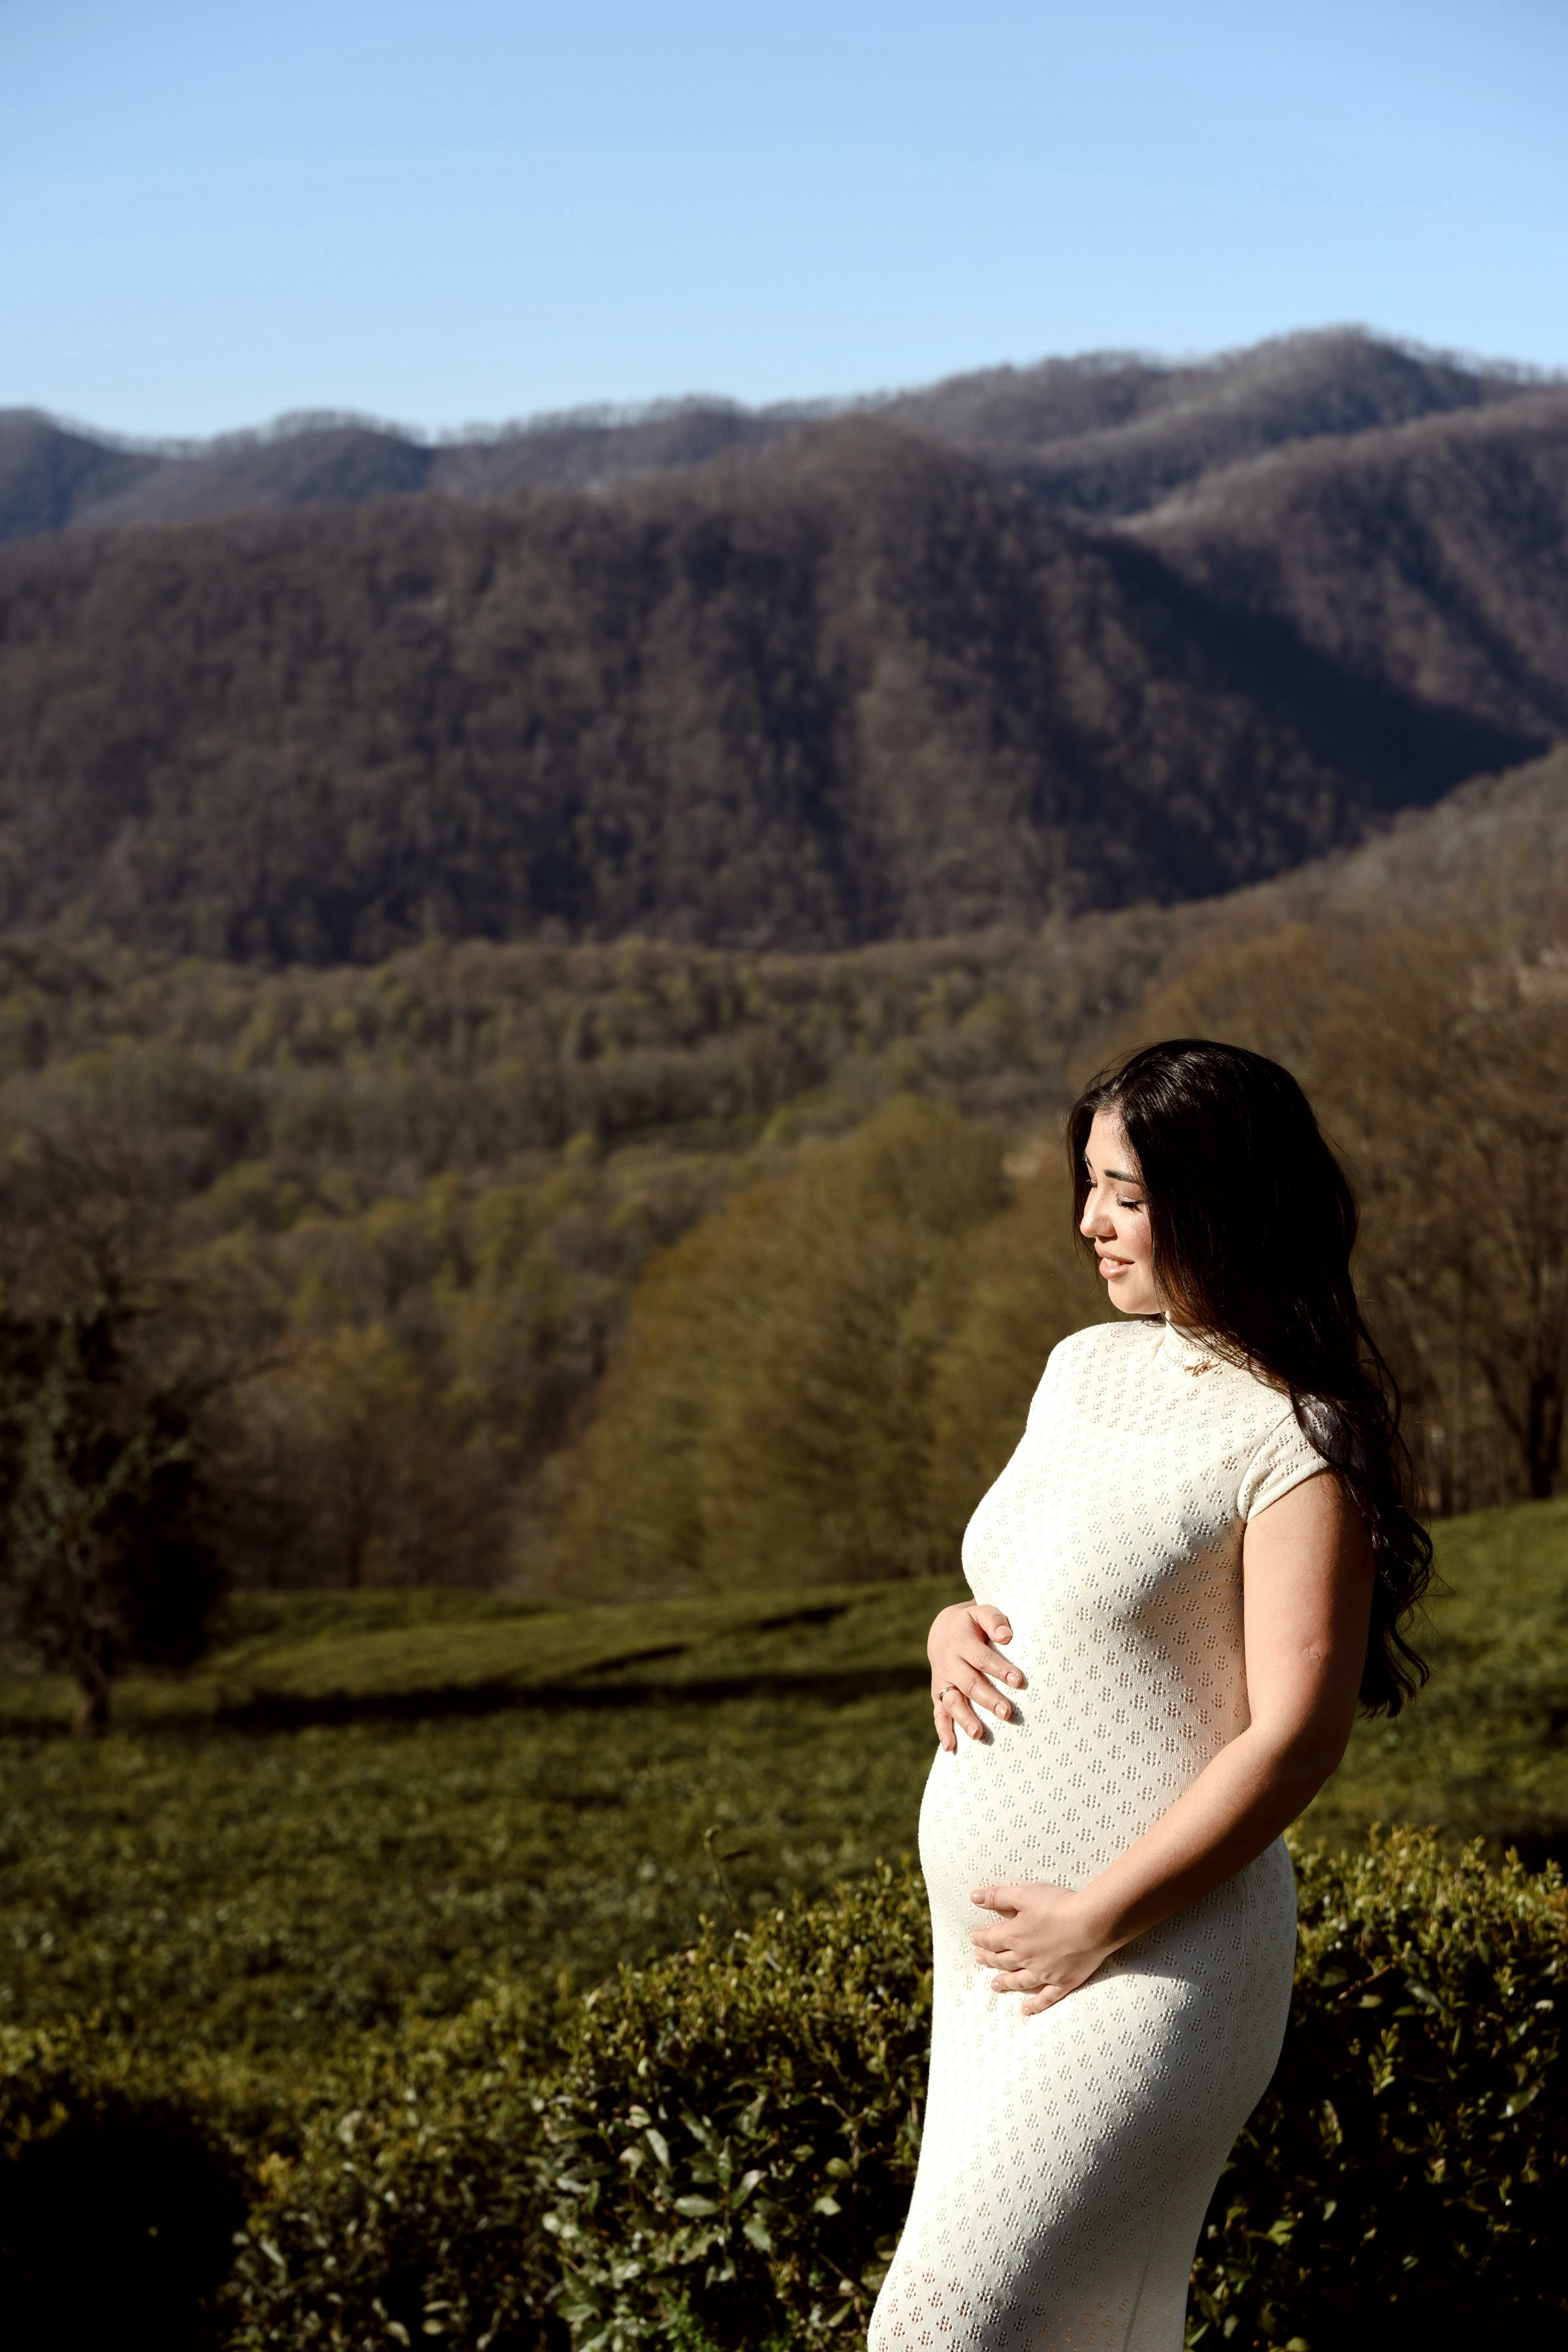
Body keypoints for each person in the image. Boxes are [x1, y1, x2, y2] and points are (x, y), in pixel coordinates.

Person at [866, 1039, 1432, 2352]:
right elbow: (1044, 1580)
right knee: (1076, 2338)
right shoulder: (1081, 1369)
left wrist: (1098, 1919)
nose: (1087, 1223)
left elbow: (1298, 1736)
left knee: (933, 2331)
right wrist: (949, 1627)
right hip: (1000, 1967)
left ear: (1217, 1201)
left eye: (1123, 1193)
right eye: (1090, 1185)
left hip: (1156, 1962)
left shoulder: (1296, 1440)